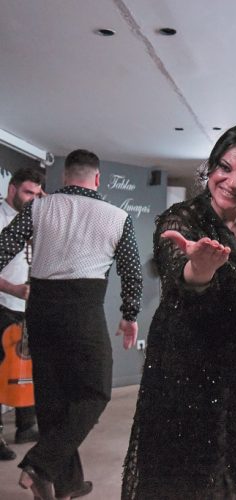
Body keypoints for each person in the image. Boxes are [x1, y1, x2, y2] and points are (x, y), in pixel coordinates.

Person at [122, 124, 236, 499]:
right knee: (183, 466)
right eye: (224, 168)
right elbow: (178, 272)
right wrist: (201, 270)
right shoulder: (180, 219)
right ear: (210, 168)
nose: (233, 182)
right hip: (183, 357)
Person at [0, 149, 143, 500]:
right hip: (83, 309)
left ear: (64, 178)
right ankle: (38, 466)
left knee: (51, 401)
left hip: (40, 309)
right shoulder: (117, 216)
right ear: (97, 179)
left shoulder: (37, 208)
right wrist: (129, 315)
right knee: (96, 391)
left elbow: (2, 248)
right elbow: (132, 272)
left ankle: (65, 485)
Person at [0, 167, 44, 461]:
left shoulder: (37, 219)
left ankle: (26, 426)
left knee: (29, 366)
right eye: (29, 192)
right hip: (2, 302)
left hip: (28, 307)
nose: (33, 200)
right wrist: (12, 289)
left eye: (38, 194)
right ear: (12, 189)